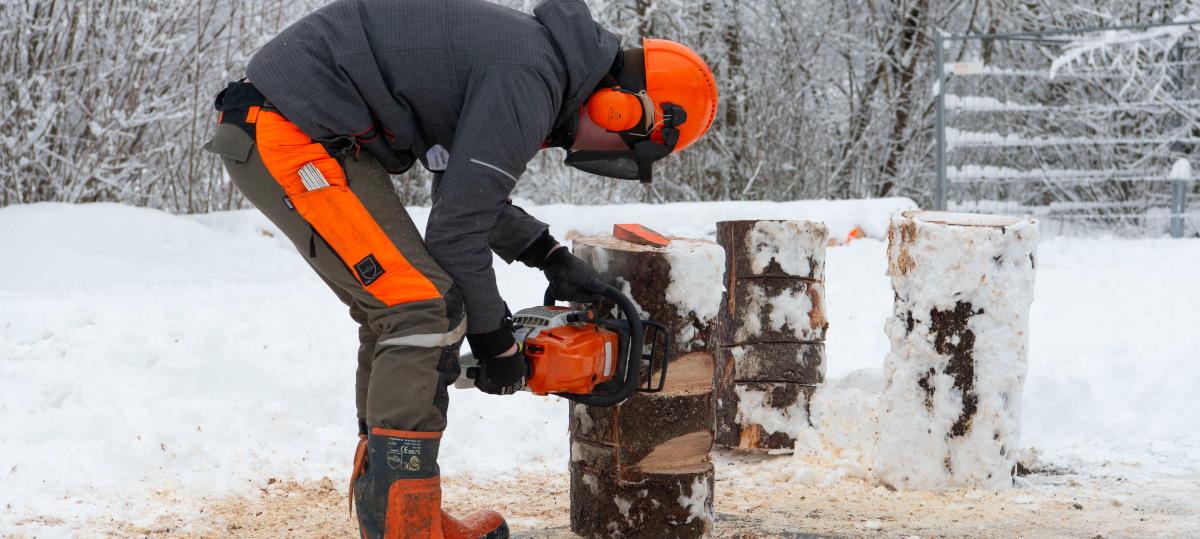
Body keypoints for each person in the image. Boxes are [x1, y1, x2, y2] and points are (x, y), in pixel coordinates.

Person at [203, 0, 716, 537]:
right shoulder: (531, 76)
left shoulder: (536, 65)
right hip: (287, 131)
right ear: (623, 110)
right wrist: (497, 345)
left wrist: (548, 255)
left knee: (407, 306)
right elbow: (454, 233)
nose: (605, 150)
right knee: (419, 308)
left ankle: (401, 506)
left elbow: (462, 200)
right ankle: (407, 520)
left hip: (310, 129)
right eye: (623, 144)